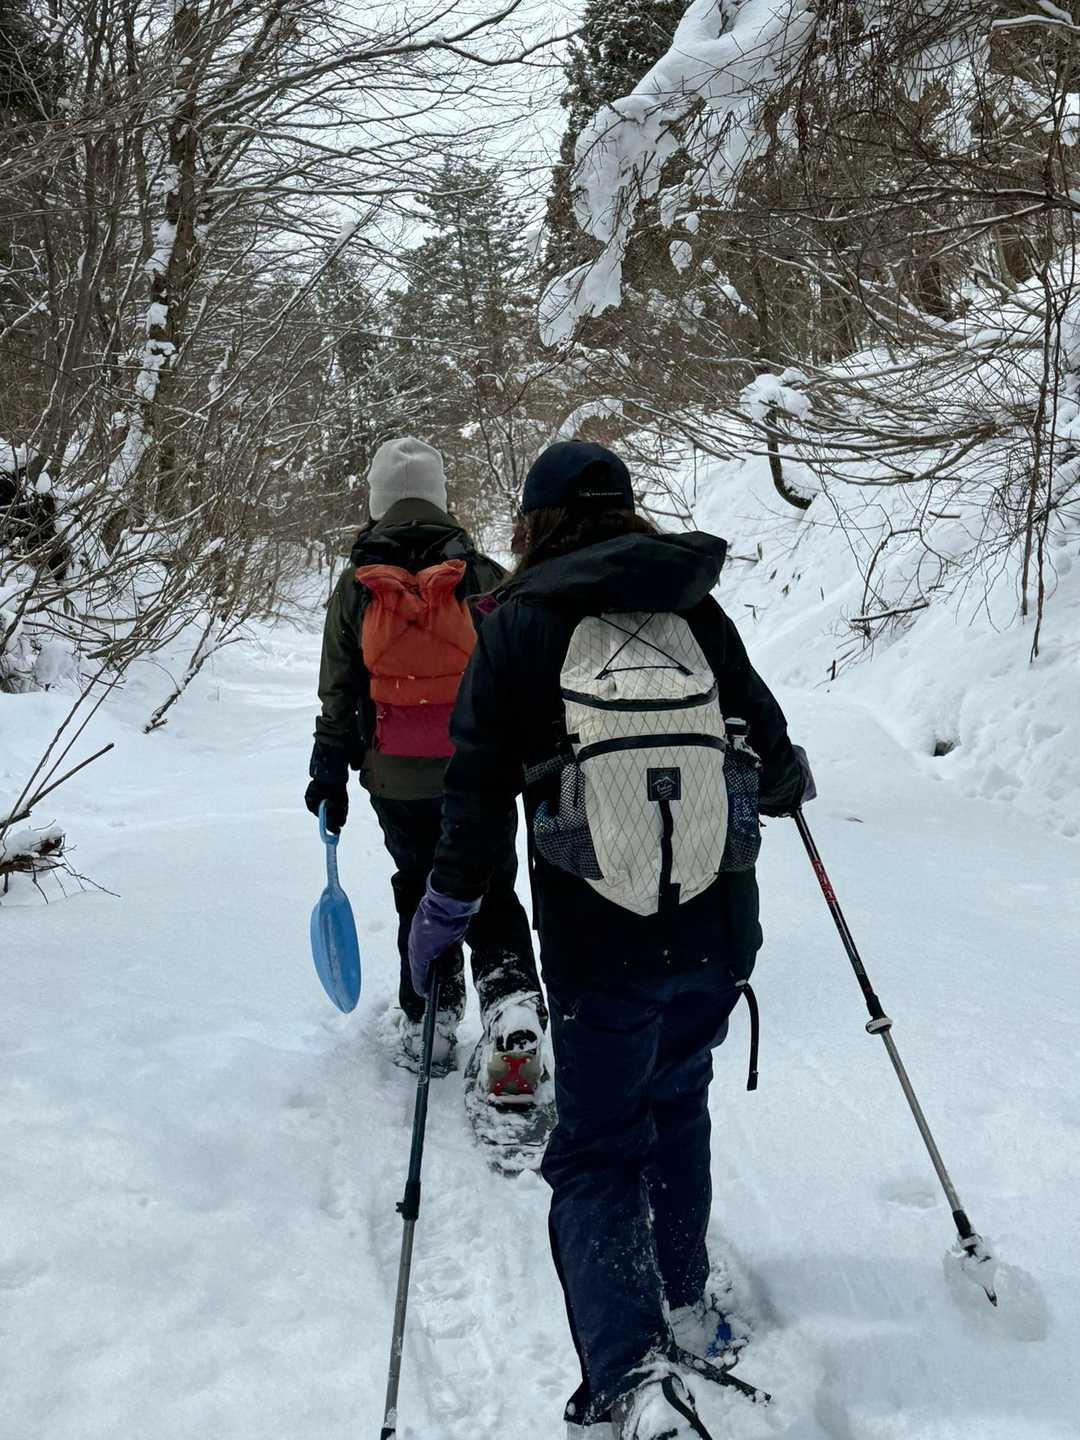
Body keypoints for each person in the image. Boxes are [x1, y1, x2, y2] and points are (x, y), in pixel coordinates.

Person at [407, 441, 813, 1440]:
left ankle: (633, 1382)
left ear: (533, 523)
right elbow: (774, 761)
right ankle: (686, 1299)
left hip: (600, 944)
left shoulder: (515, 627)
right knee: (679, 1102)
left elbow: (472, 803)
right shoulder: (695, 609)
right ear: (629, 509)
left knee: (595, 1152)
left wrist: (443, 919)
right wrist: (780, 776)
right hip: (716, 929)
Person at [305, 436, 546, 1091]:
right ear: (440, 497)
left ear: (377, 501)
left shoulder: (357, 587)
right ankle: (512, 1011)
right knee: (492, 891)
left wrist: (329, 770)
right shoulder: (483, 576)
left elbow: (338, 690)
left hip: (397, 777)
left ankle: (430, 1016)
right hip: (481, 776)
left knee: (419, 885)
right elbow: (519, 679)